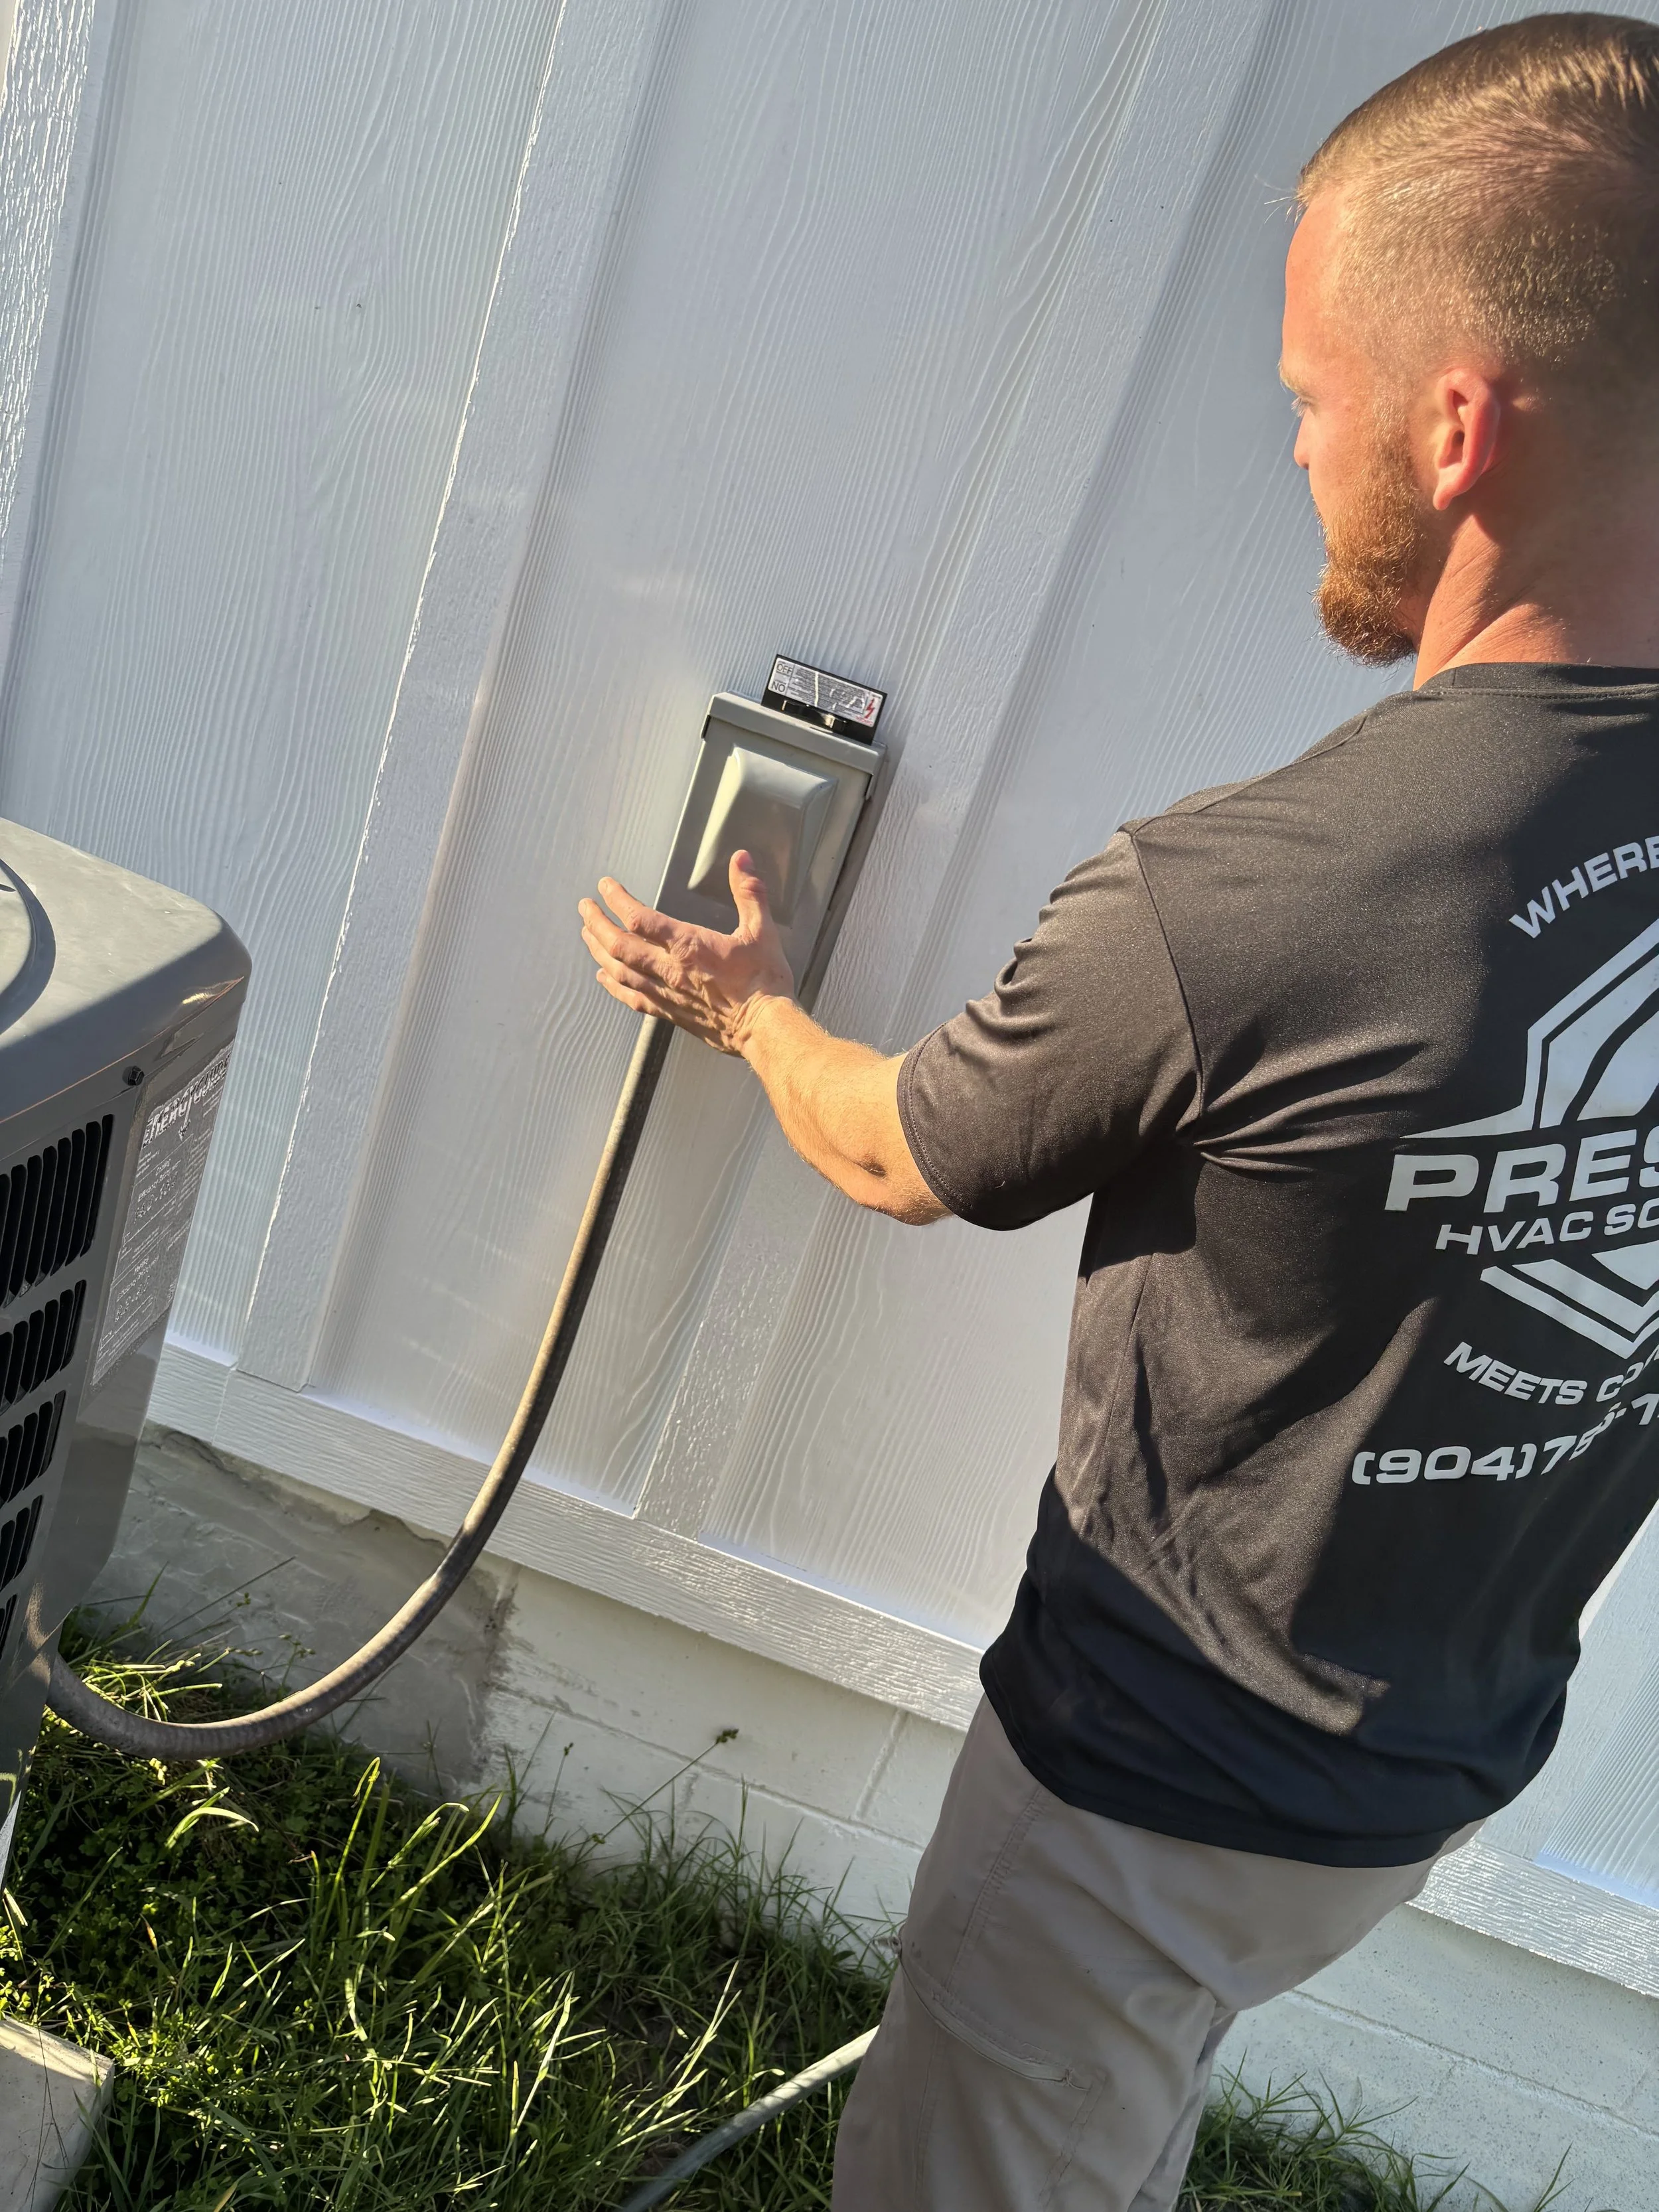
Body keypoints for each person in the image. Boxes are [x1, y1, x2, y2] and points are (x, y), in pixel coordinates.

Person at [579, 14, 1659, 2207]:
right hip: (1438, 1749)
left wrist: (758, 1010)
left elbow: (906, 1150)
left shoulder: (1255, 896)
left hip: (1145, 1780)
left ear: (1454, 426)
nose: (1289, 449)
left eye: (1303, 398)